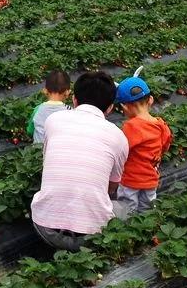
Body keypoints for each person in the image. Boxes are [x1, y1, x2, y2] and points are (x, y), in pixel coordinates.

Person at [30, 71, 130, 251]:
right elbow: (112, 186)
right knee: (126, 209)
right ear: (109, 108)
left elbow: (47, 163)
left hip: (45, 229)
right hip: (92, 238)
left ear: (74, 100)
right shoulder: (118, 137)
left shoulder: (54, 120)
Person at [114, 72, 173, 214]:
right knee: (147, 212)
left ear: (125, 107)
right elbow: (165, 146)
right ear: (151, 100)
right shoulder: (161, 125)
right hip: (151, 180)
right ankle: (146, 233)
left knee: (126, 210)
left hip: (130, 180)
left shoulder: (131, 127)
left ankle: (127, 234)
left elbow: (121, 150)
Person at [26, 70, 71, 144]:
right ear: (67, 92)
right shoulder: (70, 111)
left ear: (45, 91)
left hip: (37, 152)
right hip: (60, 150)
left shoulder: (38, 109)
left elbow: (29, 131)